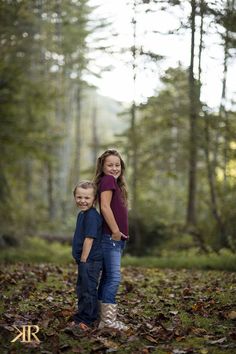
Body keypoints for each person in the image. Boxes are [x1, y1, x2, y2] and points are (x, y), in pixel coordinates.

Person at [93, 149, 129, 330]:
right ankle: (108, 322)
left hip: (115, 238)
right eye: (110, 165)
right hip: (111, 237)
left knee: (107, 277)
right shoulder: (108, 180)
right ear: (103, 166)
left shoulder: (115, 183)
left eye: (117, 164)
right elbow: (105, 207)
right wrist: (115, 231)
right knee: (114, 278)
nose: (114, 168)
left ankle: (101, 318)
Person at [71, 180, 102, 330]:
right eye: (79, 197)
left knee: (88, 289)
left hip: (90, 261)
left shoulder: (91, 216)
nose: (82, 201)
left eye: (87, 198)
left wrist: (83, 260)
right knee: (82, 288)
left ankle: (88, 320)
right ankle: (81, 316)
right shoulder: (82, 215)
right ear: (75, 197)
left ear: (94, 199)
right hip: (84, 261)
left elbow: (89, 239)